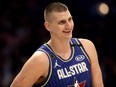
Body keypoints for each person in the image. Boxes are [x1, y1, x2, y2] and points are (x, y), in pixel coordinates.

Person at [10, 2, 104, 87]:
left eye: (70, 19)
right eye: (62, 22)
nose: (68, 26)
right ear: (48, 26)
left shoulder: (87, 46)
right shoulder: (40, 59)